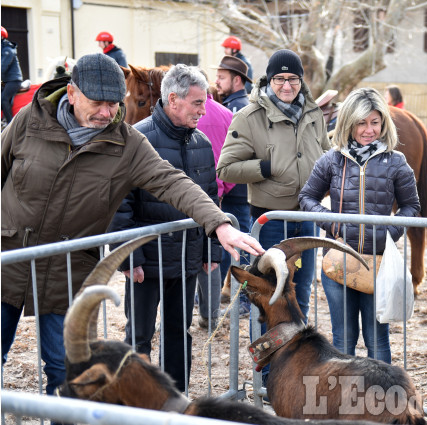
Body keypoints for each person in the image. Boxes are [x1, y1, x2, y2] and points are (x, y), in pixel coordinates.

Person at [1, 53, 264, 397]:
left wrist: (219, 224)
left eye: (114, 104)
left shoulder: (126, 143)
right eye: (98, 103)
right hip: (9, 261)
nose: (107, 113)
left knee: (65, 374)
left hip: (66, 274)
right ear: (72, 92)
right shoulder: (27, 122)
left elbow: (174, 183)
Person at [217, 49, 331, 381]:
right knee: (271, 297)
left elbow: (324, 155)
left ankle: (294, 367)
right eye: (279, 79)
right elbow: (226, 167)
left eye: (292, 79)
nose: (286, 85)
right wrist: (265, 167)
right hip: (269, 221)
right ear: (269, 80)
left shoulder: (313, 114)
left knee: (302, 291)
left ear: (300, 81)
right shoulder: (249, 116)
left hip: (305, 217)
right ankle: (267, 375)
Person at [107, 64, 222, 391]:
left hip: (186, 259)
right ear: (174, 99)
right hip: (148, 261)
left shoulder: (201, 142)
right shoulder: (138, 138)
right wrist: (130, 257)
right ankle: (136, 400)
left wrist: (210, 248)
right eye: (198, 103)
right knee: (139, 335)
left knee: (178, 331)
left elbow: (211, 199)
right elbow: (120, 202)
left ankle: (175, 398)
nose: (204, 109)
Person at [299, 87, 420, 364]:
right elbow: (307, 197)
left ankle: (384, 402)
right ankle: (346, 401)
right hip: (339, 261)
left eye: (375, 122)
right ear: (349, 123)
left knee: (378, 339)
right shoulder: (332, 160)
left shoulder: (396, 162)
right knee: (343, 338)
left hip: (378, 264)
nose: (369, 130)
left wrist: (390, 231)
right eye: (361, 123)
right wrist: (334, 226)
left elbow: (411, 206)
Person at [210, 55, 253, 319]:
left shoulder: (240, 109)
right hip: (232, 187)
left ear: (237, 81)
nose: (216, 82)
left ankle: (245, 297)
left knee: (242, 244)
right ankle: (217, 292)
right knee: (231, 243)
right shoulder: (230, 105)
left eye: (222, 77)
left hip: (237, 189)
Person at [194, 77, 234, 330]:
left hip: (182, 197)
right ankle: (210, 315)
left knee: (188, 255)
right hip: (214, 194)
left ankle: (186, 312)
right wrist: (222, 189)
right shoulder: (227, 114)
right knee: (211, 257)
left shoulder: (183, 115)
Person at [1, 26, 23, 124]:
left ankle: (10, 124)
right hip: (6, 81)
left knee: (4, 99)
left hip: (14, 80)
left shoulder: (7, 50)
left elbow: (2, 67)